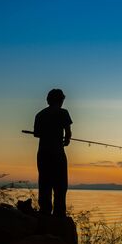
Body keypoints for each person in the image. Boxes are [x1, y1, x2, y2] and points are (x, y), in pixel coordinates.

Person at [34, 89, 72, 217]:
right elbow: (68, 133)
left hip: (43, 154)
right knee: (60, 186)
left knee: (44, 185)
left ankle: (44, 215)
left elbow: (37, 133)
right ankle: (59, 217)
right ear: (61, 100)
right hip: (58, 154)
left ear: (48, 100)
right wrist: (66, 141)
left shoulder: (40, 114)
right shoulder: (63, 113)